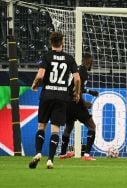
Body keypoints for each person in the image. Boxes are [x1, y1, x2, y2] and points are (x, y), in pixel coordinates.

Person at [29, 32, 80, 169]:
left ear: (50, 42)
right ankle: (50, 159)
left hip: (47, 95)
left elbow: (40, 76)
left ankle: (38, 153)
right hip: (62, 96)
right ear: (62, 42)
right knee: (55, 129)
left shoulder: (46, 56)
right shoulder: (69, 58)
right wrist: (77, 93)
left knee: (41, 126)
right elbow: (77, 79)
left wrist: (34, 84)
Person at [59, 53, 99, 161]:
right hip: (75, 103)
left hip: (67, 102)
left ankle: (62, 154)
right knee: (92, 126)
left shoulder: (78, 70)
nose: (92, 65)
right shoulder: (83, 72)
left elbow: (76, 87)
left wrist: (90, 91)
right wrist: (84, 102)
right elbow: (77, 90)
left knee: (68, 127)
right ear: (88, 62)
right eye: (91, 63)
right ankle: (86, 155)